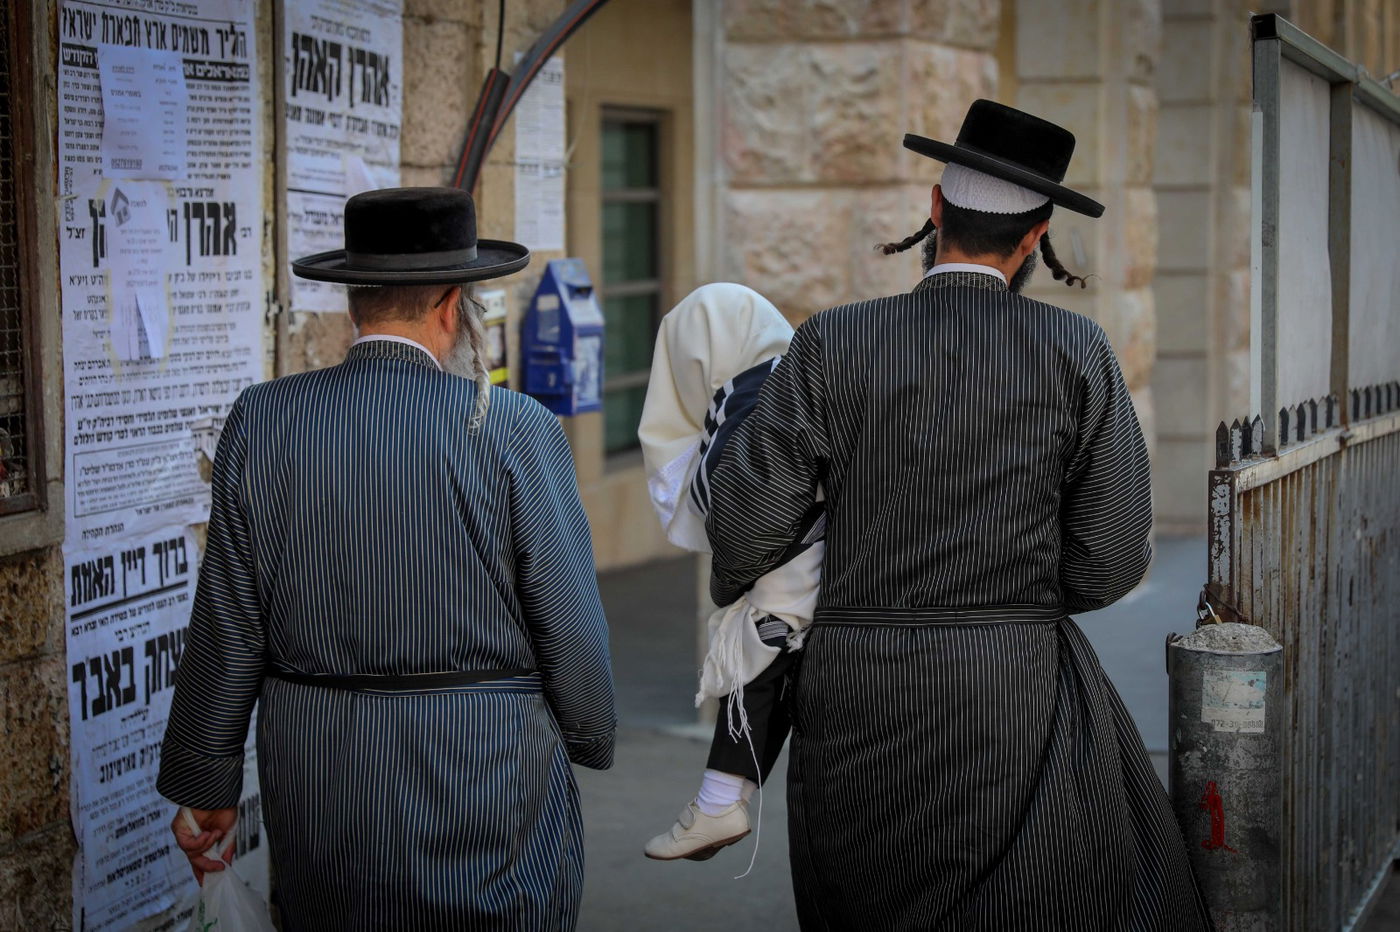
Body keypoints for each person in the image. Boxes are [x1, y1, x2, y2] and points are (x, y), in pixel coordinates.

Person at [705, 101, 1213, 930]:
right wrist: (1017, 600)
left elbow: (748, 530)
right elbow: (1113, 556)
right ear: (1035, 237)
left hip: (854, 687)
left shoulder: (834, 341)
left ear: (935, 212)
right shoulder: (1076, 352)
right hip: (1013, 685)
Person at [157, 187, 616, 931]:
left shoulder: (263, 420)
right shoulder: (513, 429)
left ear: (353, 306)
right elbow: (570, 621)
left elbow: (227, 621)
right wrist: (590, 734)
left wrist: (205, 779)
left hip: (323, 768)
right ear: (449, 308)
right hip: (484, 763)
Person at [636, 284, 823, 862]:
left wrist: (731, 583)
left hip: (801, 565)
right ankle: (717, 800)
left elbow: (729, 504)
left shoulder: (749, 391)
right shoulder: (803, 373)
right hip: (842, 562)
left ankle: (717, 803)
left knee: (757, 648)